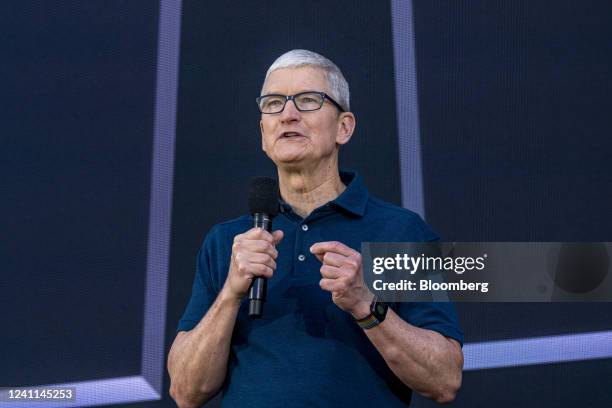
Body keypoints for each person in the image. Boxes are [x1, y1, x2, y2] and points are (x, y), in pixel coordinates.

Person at [168, 49, 463, 408]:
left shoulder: (400, 232)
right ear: (263, 132)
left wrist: (366, 305)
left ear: (344, 127)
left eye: (308, 100)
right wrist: (230, 294)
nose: (288, 114)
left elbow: (445, 379)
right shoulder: (227, 242)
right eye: (273, 103)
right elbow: (185, 391)